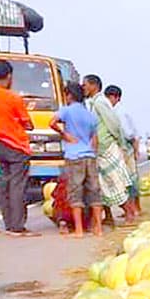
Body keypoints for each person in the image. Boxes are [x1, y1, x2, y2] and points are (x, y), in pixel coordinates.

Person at [0, 59, 39, 237]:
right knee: (18, 186)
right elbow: (28, 124)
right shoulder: (13, 97)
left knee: (4, 184)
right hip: (17, 146)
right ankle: (18, 226)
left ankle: (8, 223)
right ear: (9, 76)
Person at [82, 74, 137, 225]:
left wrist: (120, 143)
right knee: (103, 185)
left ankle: (129, 214)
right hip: (99, 149)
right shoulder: (92, 103)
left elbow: (113, 123)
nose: (84, 88)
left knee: (115, 183)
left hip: (107, 147)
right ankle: (109, 217)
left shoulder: (100, 103)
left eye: (85, 84)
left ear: (94, 85)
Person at [49, 82, 103, 237]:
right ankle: (98, 227)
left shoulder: (66, 111)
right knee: (94, 191)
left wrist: (65, 134)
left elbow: (51, 123)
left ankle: (79, 229)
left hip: (74, 156)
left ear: (70, 95)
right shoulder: (90, 114)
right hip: (89, 156)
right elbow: (95, 139)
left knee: (75, 191)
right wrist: (94, 153)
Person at [104, 84, 142, 216]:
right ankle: (133, 208)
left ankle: (134, 208)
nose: (109, 100)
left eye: (111, 98)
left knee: (129, 179)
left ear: (117, 98)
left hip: (125, 148)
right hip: (123, 147)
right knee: (127, 178)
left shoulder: (119, 112)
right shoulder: (112, 111)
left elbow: (128, 134)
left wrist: (134, 150)